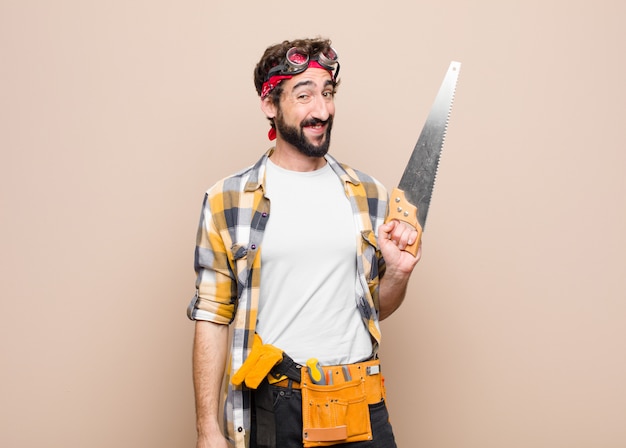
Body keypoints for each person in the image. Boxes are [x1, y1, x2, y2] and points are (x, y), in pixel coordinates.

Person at [187, 37, 421, 448]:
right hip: (278, 405)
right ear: (270, 105)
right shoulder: (228, 200)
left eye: (328, 93)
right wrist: (208, 429)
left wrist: (398, 273)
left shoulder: (370, 194)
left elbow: (378, 306)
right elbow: (212, 315)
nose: (323, 110)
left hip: (359, 399)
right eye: (305, 95)